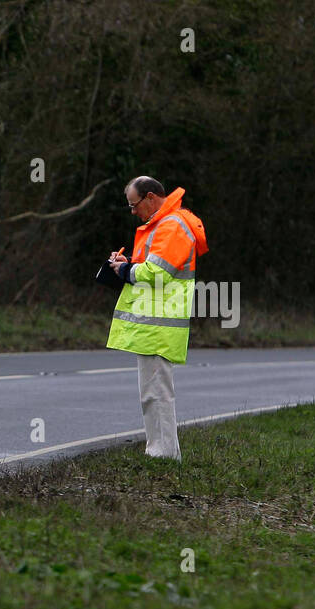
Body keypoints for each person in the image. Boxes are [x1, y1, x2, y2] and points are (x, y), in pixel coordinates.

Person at [106, 176, 209, 461]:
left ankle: (162, 457)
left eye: (134, 204)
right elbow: (154, 267)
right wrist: (128, 265)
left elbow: (157, 274)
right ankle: (164, 453)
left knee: (156, 394)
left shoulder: (172, 226)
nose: (132, 211)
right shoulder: (166, 225)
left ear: (151, 197)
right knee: (153, 393)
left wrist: (125, 272)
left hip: (159, 325)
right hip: (157, 323)